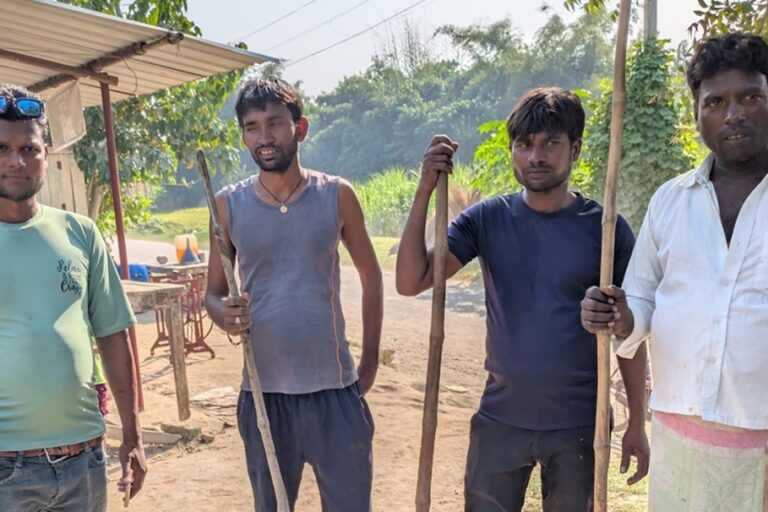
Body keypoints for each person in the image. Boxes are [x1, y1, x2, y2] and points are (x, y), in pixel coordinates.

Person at [397, 87, 649, 511]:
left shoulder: (605, 230)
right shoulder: (487, 220)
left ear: (576, 149)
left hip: (580, 427)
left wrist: (638, 421)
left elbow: (627, 331)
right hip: (500, 420)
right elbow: (412, 280)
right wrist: (425, 187)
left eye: (551, 143)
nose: (536, 156)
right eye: (524, 145)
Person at [581, 33, 768, 511]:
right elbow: (642, 299)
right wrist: (621, 316)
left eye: (751, 96)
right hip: (679, 433)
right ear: (697, 114)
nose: (734, 114)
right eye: (716, 102)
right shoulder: (670, 201)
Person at [204, 77, 383, 512]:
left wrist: (369, 362)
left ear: (299, 129)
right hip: (265, 397)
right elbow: (212, 293)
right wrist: (223, 314)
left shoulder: (336, 196)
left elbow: (371, 276)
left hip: (336, 395)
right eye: (251, 127)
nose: (264, 137)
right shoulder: (228, 207)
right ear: (243, 136)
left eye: (275, 123)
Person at [0, 84, 146, 510]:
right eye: (3, 148)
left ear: (47, 153)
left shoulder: (79, 233)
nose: (15, 161)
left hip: (83, 462)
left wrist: (134, 437)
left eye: (29, 149)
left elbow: (113, 335)